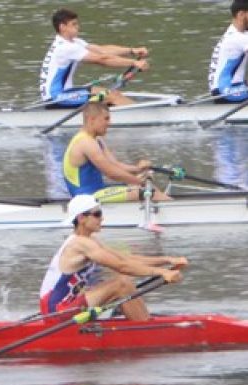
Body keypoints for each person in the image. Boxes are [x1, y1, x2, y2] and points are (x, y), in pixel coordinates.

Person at [39, 194, 187, 320]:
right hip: (57, 311)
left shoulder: (90, 241)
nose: (102, 218)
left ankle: (140, 320)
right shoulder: (79, 244)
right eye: (97, 214)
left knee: (122, 283)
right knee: (121, 284)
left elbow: (126, 259)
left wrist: (167, 261)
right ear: (81, 218)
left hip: (65, 305)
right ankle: (145, 328)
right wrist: (162, 273)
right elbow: (122, 267)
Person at [62, 101, 171, 206]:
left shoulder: (97, 140)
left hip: (98, 191)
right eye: (106, 119)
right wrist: (139, 181)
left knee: (142, 185)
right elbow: (112, 173)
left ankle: (170, 205)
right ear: (92, 119)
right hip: (86, 198)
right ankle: (174, 210)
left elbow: (115, 165)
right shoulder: (85, 142)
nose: (109, 123)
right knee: (141, 189)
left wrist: (138, 169)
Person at [40, 8, 149, 108]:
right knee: (111, 96)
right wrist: (134, 63)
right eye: (74, 24)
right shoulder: (65, 47)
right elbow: (102, 59)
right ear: (62, 27)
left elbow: (102, 50)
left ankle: (134, 114)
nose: (78, 27)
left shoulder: (73, 42)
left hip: (66, 93)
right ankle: (144, 116)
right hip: (56, 98)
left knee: (111, 93)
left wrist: (131, 50)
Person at [209, 0, 248, 103]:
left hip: (224, 89)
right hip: (226, 91)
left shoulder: (234, 31)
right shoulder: (237, 38)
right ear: (241, 14)